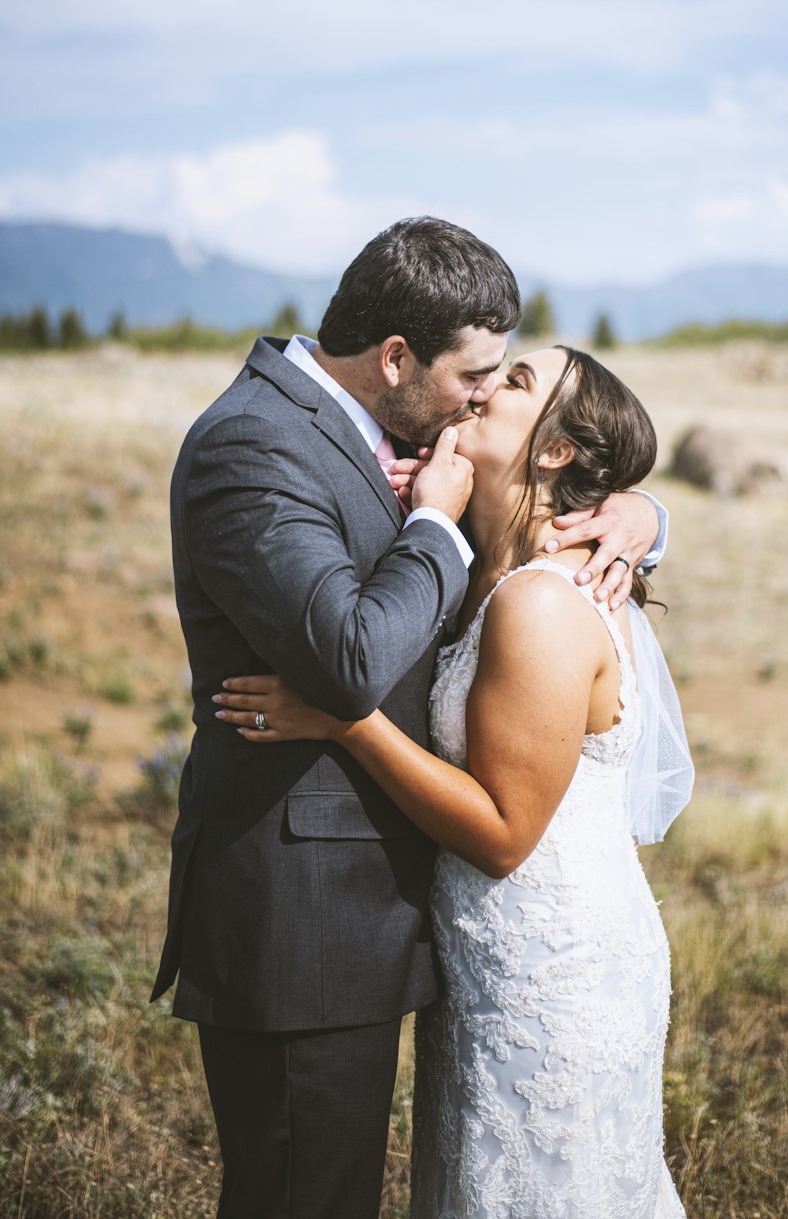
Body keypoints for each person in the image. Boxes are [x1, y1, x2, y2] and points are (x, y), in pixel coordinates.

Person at [151, 218, 667, 1219]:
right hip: (301, 913)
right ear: (396, 357)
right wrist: (433, 520)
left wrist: (639, 517)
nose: (479, 395)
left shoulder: (413, 449)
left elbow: (555, 515)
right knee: (306, 1192)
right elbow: (350, 660)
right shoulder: (257, 446)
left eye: (504, 382)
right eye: (480, 374)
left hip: (479, 933)